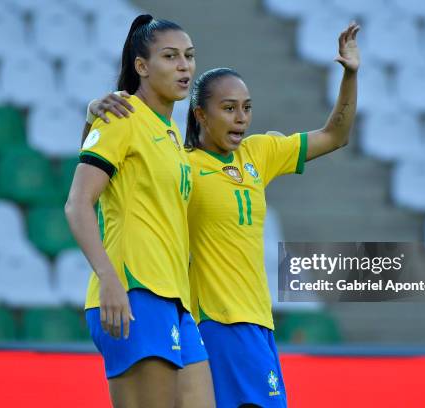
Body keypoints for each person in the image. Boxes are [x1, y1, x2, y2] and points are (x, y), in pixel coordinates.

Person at [87, 21, 360, 407]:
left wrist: (350, 74)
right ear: (199, 114)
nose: (240, 118)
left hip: (259, 323)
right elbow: (113, 181)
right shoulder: (183, 164)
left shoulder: (260, 154)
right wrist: (92, 115)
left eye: (246, 109)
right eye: (228, 109)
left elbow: (336, 135)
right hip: (215, 321)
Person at [65, 14, 215, 408]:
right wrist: (108, 278)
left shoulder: (168, 134)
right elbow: (78, 202)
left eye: (189, 56)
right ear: (142, 66)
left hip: (175, 299)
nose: (184, 66)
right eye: (170, 56)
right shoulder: (124, 115)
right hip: (134, 293)